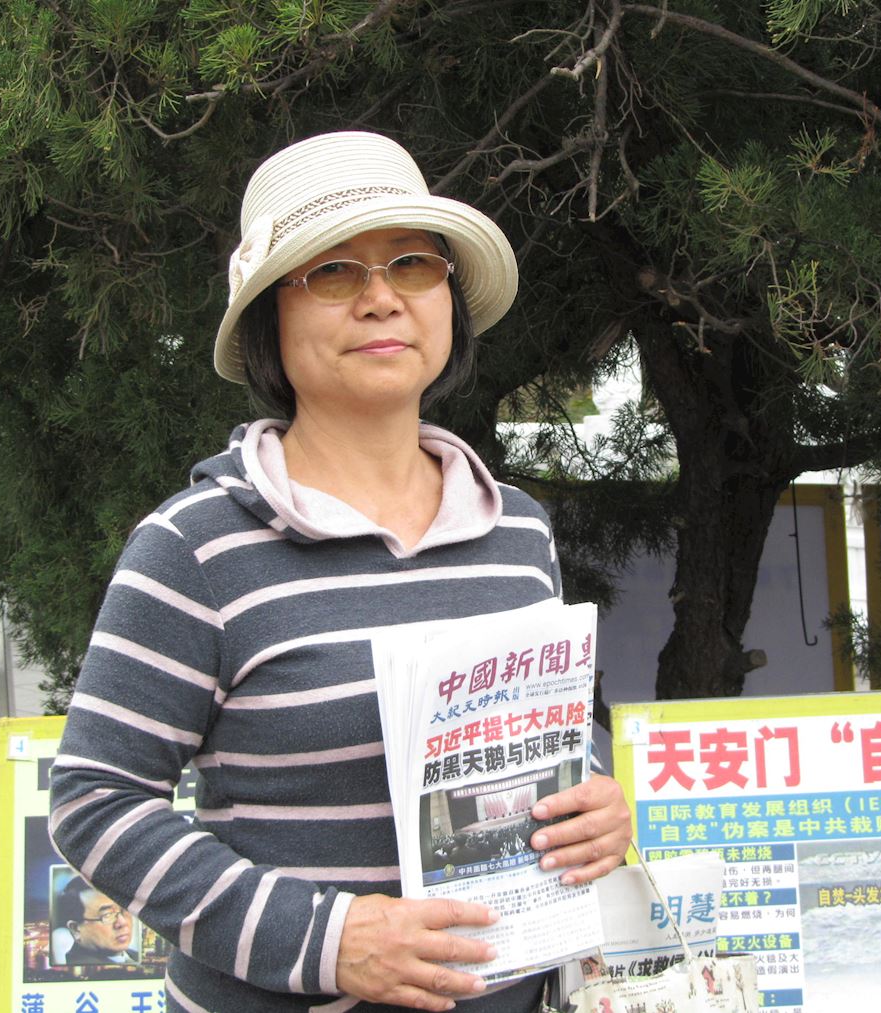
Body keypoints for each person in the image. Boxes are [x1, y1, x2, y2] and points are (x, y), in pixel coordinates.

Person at [49, 130, 632, 1012]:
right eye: (331, 271)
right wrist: (329, 941)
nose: (381, 299)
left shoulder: (516, 528)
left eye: (412, 264)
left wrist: (595, 796)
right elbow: (95, 799)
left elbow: (558, 730)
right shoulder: (195, 547)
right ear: (268, 323)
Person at [54, 876, 141, 965]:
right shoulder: (86, 967)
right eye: (107, 915)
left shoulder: (136, 955)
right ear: (75, 929)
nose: (123, 922)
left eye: (124, 909)